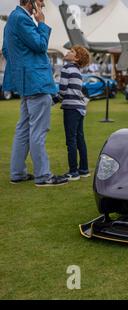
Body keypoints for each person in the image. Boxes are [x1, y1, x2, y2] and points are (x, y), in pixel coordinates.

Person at [3, 0, 68, 187]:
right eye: (40, 1)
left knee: (23, 129)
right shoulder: (22, 19)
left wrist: (23, 67)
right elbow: (40, 45)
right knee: (38, 131)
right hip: (36, 82)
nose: (42, 5)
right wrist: (41, 22)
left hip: (26, 82)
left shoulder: (12, 19)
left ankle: (17, 173)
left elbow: (7, 50)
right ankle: (43, 176)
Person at [58, 46, 91, 181]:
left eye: (71, 51)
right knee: (79, 139)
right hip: (80, 108)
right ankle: (84, 169)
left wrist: (51, 101)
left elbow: (63, 91)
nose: (68, 52)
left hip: (71, 108)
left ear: (76, 58)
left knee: (71, 140)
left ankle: (73, 172)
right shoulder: (77, 71)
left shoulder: (67, 68)